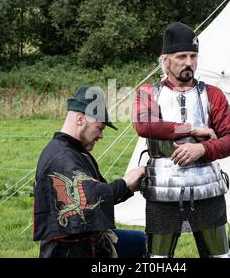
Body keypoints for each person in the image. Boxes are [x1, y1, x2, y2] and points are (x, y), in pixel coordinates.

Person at [133, 22, 230, 258]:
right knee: (158, 260)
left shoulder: (212, 94)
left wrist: (202, 149)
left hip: (207, 185)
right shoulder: (147, 92)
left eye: (193, 56)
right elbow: (144, 125)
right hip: (163, 186)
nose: (189, 62)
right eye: (181, 56)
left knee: (220, 256)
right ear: (166, 60)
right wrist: (191, 128)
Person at [34, 85, 147, 258]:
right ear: (80, 119)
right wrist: (125, 182)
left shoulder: (78, 151)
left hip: (91, 239)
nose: (101, 135)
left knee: (141, 241)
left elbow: (101, 195)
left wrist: (131, 186)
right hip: (69, 251)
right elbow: (92, 198)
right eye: (100, 128)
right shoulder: (61, 156)